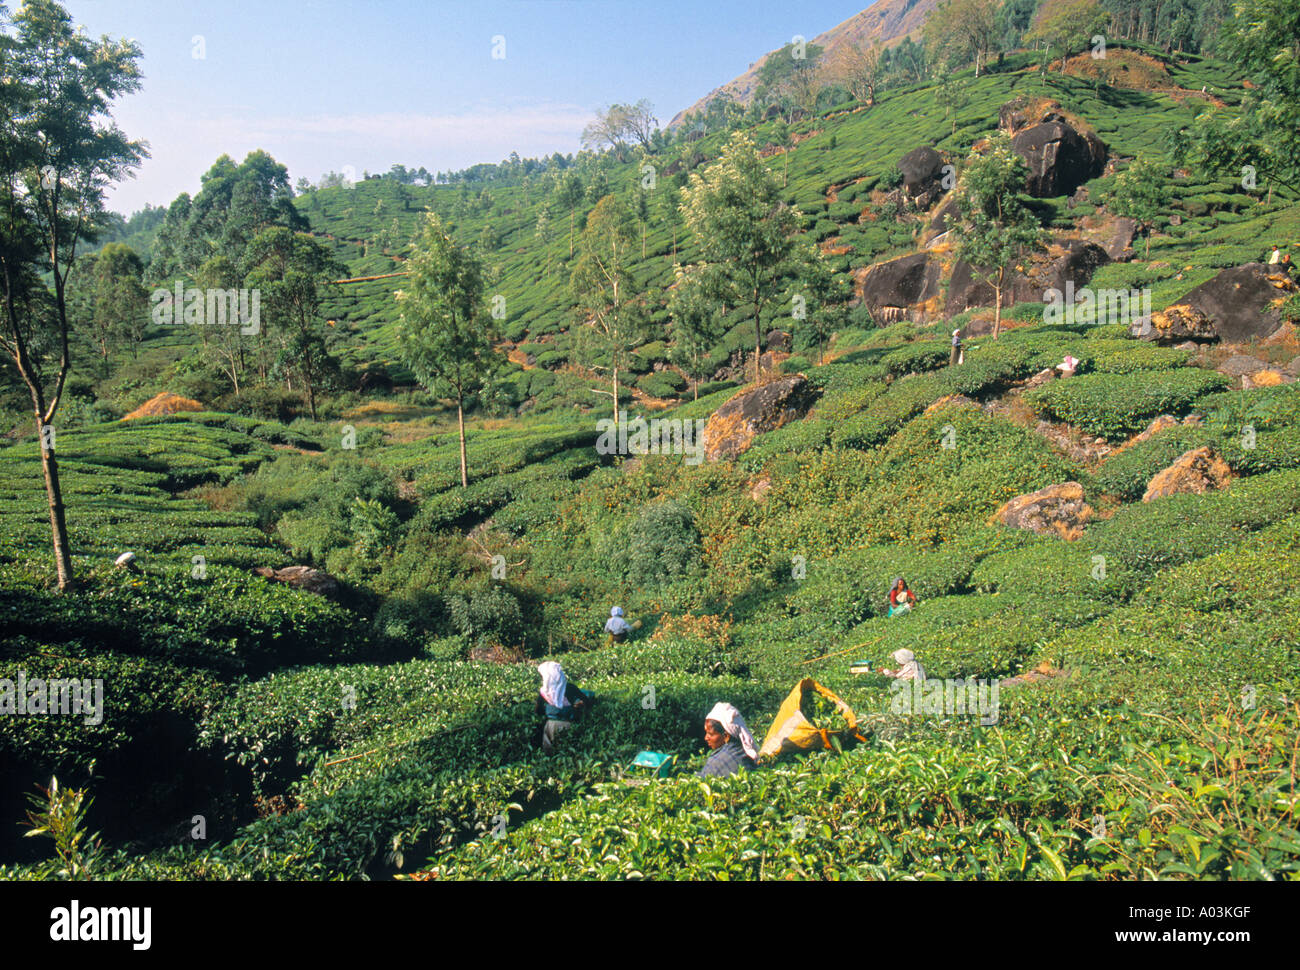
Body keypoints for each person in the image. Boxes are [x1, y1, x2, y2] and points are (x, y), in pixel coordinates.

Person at [535, 661, 588, 754]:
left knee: (550, 753)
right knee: (568, 752)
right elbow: (586, 700)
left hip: (550, 726)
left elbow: (538, 711)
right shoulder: (569, 688)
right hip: (569, 725)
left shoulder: (544, 692)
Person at [697, 702, 759, 778]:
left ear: (726, 736)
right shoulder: (745, 752)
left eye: (711, 734)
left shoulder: (716, 762)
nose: (706, 738)